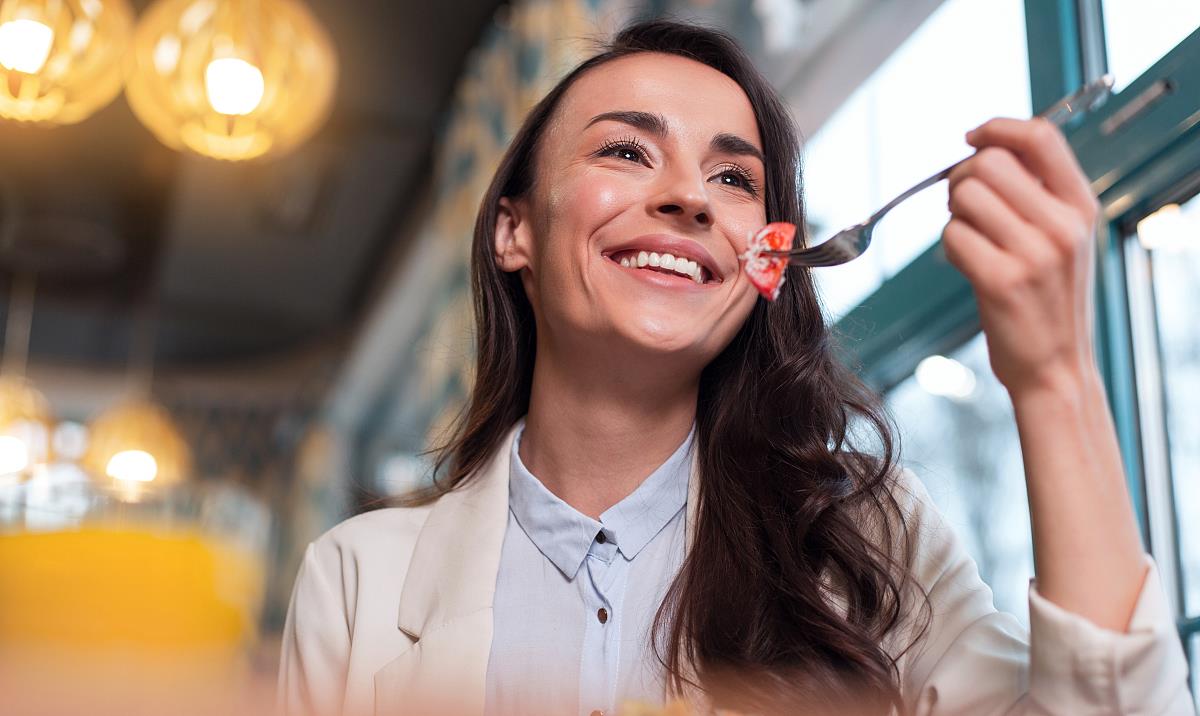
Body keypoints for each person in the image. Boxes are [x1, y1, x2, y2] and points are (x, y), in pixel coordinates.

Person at [277, 20, 1194, 716]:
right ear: (513, 229)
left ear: (768, 260)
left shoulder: (870, 539)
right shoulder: (356, 580)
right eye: (626, 151)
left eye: (734, 179)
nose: (685, 195)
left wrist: (1054, 380)